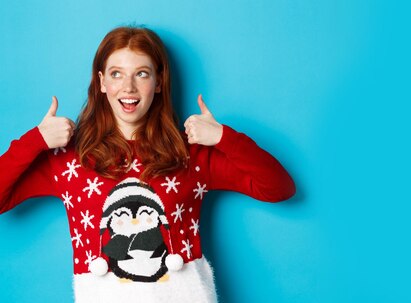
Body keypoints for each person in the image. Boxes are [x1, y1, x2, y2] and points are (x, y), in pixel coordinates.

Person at [0, 26, 295, 303]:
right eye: (116, 74)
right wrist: (35, 140)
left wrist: (223, 137)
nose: (128, 87)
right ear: (101, 82)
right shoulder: (68, 159)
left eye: (141, 73)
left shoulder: (190, 154)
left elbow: (278, 187)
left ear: (158, 82)